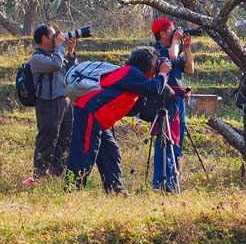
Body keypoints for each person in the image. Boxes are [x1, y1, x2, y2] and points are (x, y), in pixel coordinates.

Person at [65, 46, 172, 194]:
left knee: (111, 152)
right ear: (146, 62)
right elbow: (152, 88)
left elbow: (145, 107)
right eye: (156, 61)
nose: (157, 64)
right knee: (84, 153)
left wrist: (170, 84)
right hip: (90, 112)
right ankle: (71, 190)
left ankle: (116, 191)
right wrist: (162, 73)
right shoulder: (131, 72)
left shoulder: (135, 79)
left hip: (99, 118)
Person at [24, 25, 78, 186]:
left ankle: (57, 175)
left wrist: (70, 52)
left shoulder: (57, 54)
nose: (57, 38)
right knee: (47, 140)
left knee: (65, 138)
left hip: (65, 101)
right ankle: (39, 176)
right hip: (47, 103)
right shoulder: (37, 58)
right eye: (53, 36)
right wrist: (60, 48)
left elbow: (71, 70)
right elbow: (55, 65)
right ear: (44, 39)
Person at [150, 17, 195, 192]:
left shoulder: (174, 49)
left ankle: (172, 182)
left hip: (178, 102)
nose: (175, 32)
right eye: (171, 30)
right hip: (164, 101)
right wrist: (176, 41)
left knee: (176, 142)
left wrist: (187, 47)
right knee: (164, 141)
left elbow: (190, 70)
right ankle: (161, 183)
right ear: (162, 33)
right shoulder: (156, 51)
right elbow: (172, 57)